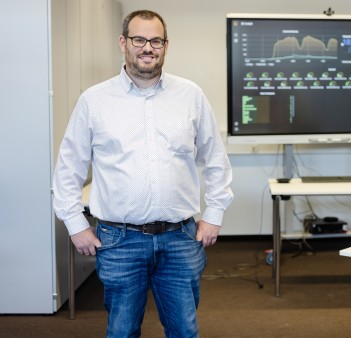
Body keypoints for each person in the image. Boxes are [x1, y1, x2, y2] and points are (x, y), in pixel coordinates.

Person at [52, 9, 234, 337]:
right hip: (119, 240)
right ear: (123, 43)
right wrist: (76, 224)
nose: (147, 47)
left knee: (184, 331)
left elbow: (216, 160)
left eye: (156, 40)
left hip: (180, 238)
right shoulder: (94, 100)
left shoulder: (190, 96)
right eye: (139, 39)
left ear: (166, 45)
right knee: (122, 332)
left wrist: (215, 213)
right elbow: (68, 168)